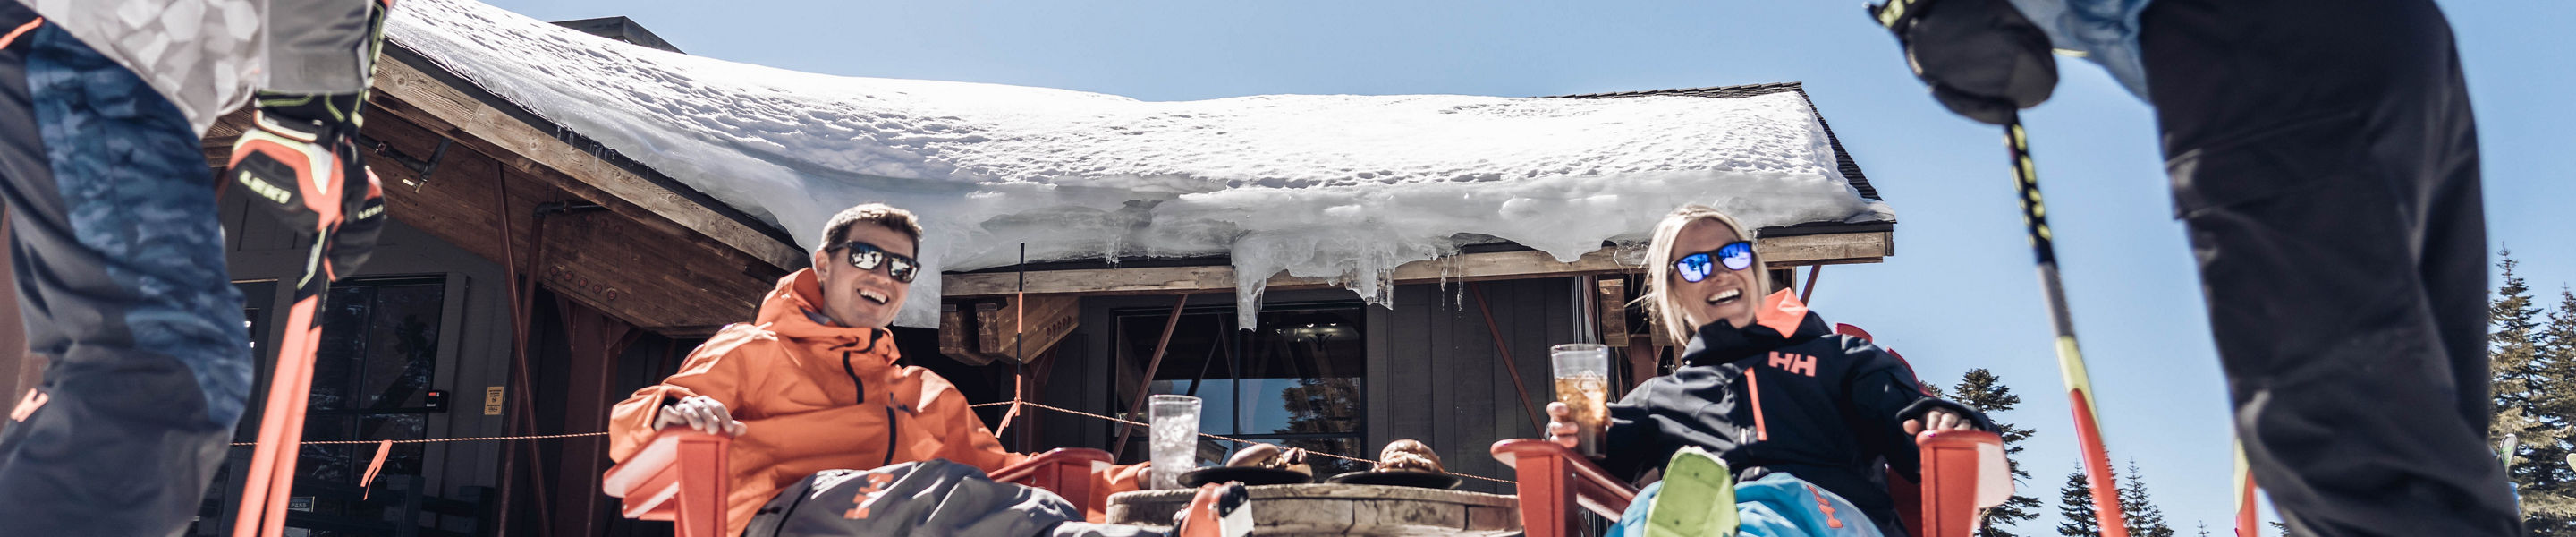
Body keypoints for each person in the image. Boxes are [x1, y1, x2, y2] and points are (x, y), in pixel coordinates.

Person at [1867, 0, 2513, 534]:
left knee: (2346, 443)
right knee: (2420, 441)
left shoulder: (1841, 358)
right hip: (2387, 40)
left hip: (2256, 50)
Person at [609, 202, 1239, 537]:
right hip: (782, 516)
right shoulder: (754, 349)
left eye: (901, 268)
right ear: (824, 264)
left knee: (1000, 496)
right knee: (931, 488)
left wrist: (1147, 480)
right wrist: (675, 412)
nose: (884, 276)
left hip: (907, 515)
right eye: (866, 257)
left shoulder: (921, 392)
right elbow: (642, 416)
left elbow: (1006, 477)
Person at [0, 0, 390, 534]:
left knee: (118, 364)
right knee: (169, 365)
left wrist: (318, 128)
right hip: (94, 60)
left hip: (82, 54)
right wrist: (310, 123)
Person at [1546, 205, 1986, 537]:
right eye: (1695, 266)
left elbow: (1909, 418)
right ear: (1674, 293)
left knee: (1768, 499)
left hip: (1829, 517)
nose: (1719, 272)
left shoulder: (1842, 359)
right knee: (1649, 506)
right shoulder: (1660, 398)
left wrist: (1942, 420)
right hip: (1701, 520)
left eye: (1732, 255)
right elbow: (1587, 464)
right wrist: (1570, 436)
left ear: (1754, 268)